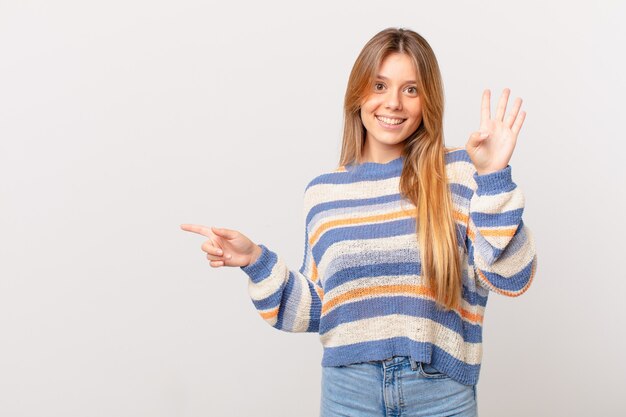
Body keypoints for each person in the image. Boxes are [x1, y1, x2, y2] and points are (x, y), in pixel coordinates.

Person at [181, 27, 537, 417]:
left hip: (441, 393)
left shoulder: (460, 173)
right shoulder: (323, 193)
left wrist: (493, 177)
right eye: (380, 85)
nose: (394, 103)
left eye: (411, 90)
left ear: (427, 101)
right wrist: (256, 261)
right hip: (349, 392)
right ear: (358, 95)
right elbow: (318, 310)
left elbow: (511, 276)